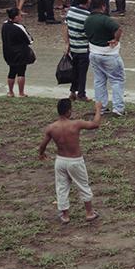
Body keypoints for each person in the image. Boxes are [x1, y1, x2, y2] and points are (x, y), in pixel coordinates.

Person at [38, 96, 101, 225]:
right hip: (75, 160)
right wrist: (98, 110)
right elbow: (95, 124)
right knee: (83, 185)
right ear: (68, 111)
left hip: (60, 160)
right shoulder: (76, 124)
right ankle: (89, 212)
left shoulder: (51, 127)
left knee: (61, 187)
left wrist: (41, 153)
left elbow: (43, 145)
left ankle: (65, 215)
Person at [85, 0, 125, 116]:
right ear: (103, 6)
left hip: (94, 53)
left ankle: (100, 108)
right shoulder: (105, 19)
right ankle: (118, 108)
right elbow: (118, 29)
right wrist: (115, 40)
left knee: (99, 81)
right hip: (109, 54)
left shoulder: (88, 20)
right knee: (117, 80)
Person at [62, 0, 93, 100]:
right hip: (83, 48)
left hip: (73, 47)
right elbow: (88, 33)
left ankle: (72, 92)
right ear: (88, 1)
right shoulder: (88, 16)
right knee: (82, 73)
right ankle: (81, 94)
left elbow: (66, 27)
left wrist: (67, 43)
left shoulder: (71, 11)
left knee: (74, 71)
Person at [1, 4, 35, 97]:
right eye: (20, 15)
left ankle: (10, 92)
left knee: (11, 71)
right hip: (20, 53)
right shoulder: (20, 27)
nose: (21, 17)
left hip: (8, 52)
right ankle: (21, 93)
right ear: (16, 17)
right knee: (21, 72)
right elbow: (30, 40)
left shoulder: (4, 25)